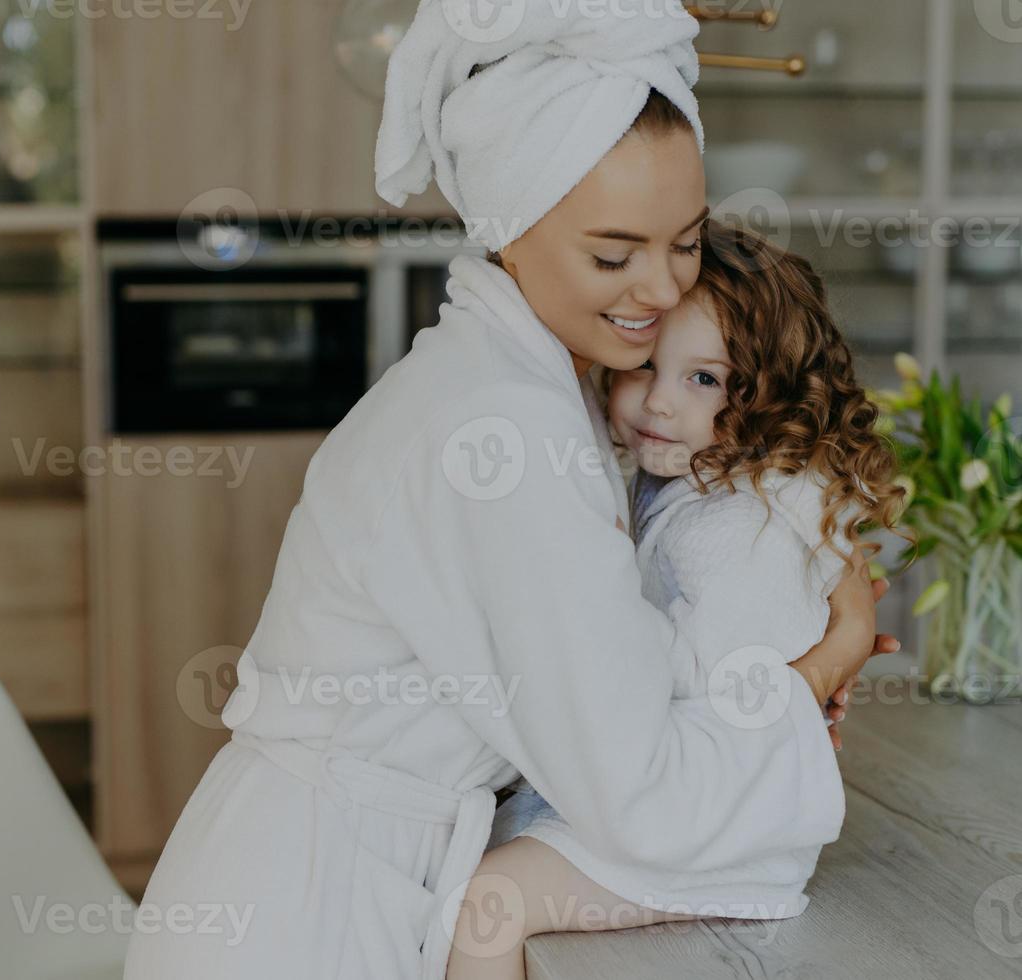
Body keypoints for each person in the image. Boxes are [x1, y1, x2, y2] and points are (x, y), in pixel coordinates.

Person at [121, 5, 897, 979]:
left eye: (686, 242)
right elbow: (640, 791)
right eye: (613, 255)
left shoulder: (524, 376)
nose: (659, 289)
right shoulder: (507, 430)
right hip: (306, 914)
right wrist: (823, 662)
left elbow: (600, 666)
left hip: (315, 866)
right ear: (509, 228)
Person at [448, 219, 908, 979]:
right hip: (668, 791)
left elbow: (714, 694)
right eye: (644, 368)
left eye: (702, 378)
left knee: (488, 900)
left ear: (767, 392)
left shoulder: (744, 528)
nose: (656, 404)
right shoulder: (683, 473)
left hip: (714, 829)